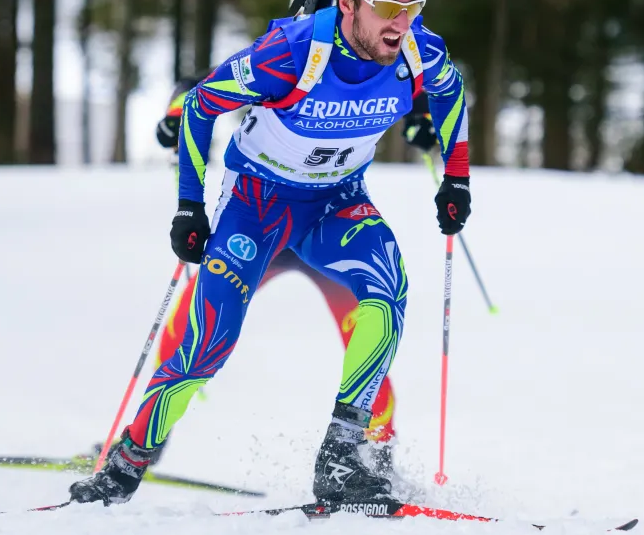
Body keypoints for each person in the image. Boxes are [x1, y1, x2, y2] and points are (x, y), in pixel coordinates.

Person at [70, 0, 471, 506]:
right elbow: (202, 104)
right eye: (386, 7)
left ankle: (349, 457)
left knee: (387, 294)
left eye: (412, 8)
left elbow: (451, 95)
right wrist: (189, 204)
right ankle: (128, 463)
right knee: (206, 342)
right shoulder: (293, 51)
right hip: (257, 210)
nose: (399, 22)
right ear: (348, 3)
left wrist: (456, 178)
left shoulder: (416, 49)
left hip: (335, 206)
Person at [145, 70, 441, 479]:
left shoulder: (357, 67)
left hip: (325, 235)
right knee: (191, 329)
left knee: (367, 336)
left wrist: (420, 119)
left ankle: (377, 454)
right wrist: (175, 116)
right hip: (260, 231)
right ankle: (147, 441)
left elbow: (413, 85)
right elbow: (202, 87)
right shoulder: (283, 56)